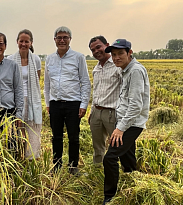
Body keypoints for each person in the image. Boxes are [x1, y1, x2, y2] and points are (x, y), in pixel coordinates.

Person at [102, 39, 150, 205]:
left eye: (120, 54)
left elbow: (136, 104)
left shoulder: (135, 71)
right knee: (127, 155)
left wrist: (120, 129)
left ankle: (109, 197)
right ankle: (132, 182)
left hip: (132, 123)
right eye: (113, 54)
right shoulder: (126, 70)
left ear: (129, 53)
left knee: (110, 158)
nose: (116, 58)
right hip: (126, 121)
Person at [44, 26, 91, 175]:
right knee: (56, 137)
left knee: (73, 137)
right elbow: (47, 84)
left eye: (65, 37)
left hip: (73, 104)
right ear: (55, 40)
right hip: (55, 104)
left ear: (70, 39)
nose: (62, 40)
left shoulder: (78, 57)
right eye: (59, 37)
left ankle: (73, 167)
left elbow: (85, 82)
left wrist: (83, 104)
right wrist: (48, 103)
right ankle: (56, 166)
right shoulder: (50, 59)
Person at [7, 29, 42, 160]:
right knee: (17, 129)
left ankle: (31, 157)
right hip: (15, 101)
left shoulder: (36, 60)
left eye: (26, 41)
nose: (23, 44)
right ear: (17, 42)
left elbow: (37, 81)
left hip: (32, 100)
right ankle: (18, 157)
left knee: (32, 130)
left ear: (31, 43)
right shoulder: (10, 59)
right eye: (21, 41)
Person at [88, 36, 122, 166]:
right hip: (97, 112)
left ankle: (122, 171)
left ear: (106, 45)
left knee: (117, 144)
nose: (96, 51)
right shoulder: (96, 69)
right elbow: (95, 92)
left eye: (98, 47)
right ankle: (98, 168)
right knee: (97, 144)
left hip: (112, 113)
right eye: (93, 50)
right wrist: (92, 112)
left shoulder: (117, 65)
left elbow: (125, 90)